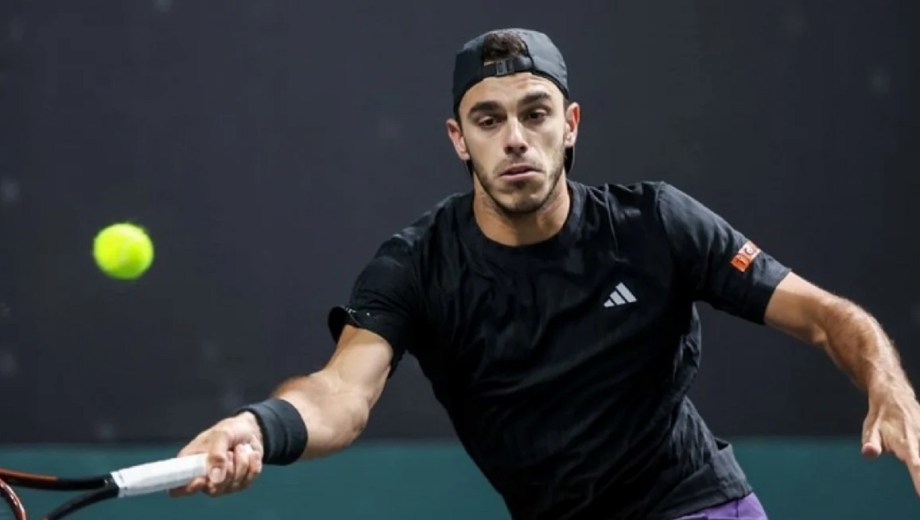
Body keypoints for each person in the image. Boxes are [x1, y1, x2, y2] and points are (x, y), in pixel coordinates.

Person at [169, 28, 920, 519]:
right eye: (490, 120)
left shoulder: (656, 223)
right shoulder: (416, 265)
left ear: (571, 125)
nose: (516, 139)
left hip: (693, 505)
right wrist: (259, 427)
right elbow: (342, 393)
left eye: (535, 112)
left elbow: (828, 317)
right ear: (459, 140)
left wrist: (887, 381)